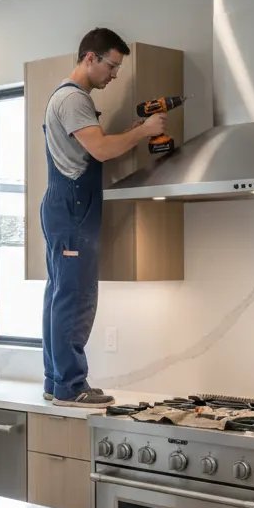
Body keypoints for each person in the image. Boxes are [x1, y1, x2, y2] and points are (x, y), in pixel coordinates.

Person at [41, 28, 166, 407]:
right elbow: (100, 150)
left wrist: (130, 133)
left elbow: (92, 147)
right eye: (112, 66)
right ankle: (70, 386)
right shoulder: (73, 99)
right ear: (89, 58)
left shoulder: (66, 98)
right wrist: (145, 132)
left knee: (60, 294)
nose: (114, 74)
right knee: (75, 297)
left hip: (66, 205)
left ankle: (56, 381)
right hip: (73, 206)